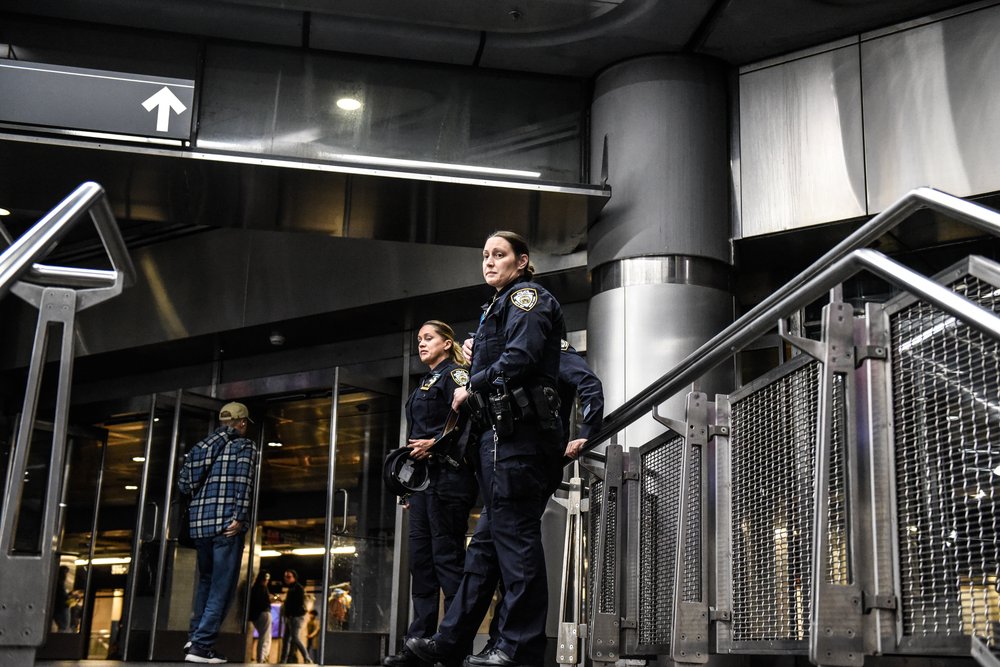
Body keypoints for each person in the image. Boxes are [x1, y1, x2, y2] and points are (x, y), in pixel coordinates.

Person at [408, 231, 565, 667]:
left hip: (522, 441)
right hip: (501, 441)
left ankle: (519, 647)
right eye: (485, 256)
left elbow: (522, 357)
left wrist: (471, 383)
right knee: (483, 552)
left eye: (499, 255)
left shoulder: (527, 299)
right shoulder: (497, 306)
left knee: (516, 546)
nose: (489, 262)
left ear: (522, 260)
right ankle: (451, 641)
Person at [383, 320, 478, 667]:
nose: (422, 344)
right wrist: (408, 487)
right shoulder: (424, 381)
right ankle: (417, 644)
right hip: (423, 485)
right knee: (421, 564)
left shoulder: (456, 376)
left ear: (446, 342)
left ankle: (453, 646)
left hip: (450, 479)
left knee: (447, 562)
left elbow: (470, 423)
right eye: (419, 339)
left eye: (429, 338)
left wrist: (437, 445)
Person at [179, 401, 258, 664]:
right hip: (226, 526)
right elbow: (243, 483)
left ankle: (194, 638)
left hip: (200, 526)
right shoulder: (244, 446)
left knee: (206, 582)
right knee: (221, 587)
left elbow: (183, 484)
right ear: (242, 422)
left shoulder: (200, 447)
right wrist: (240, 517)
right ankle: (202, 645)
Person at [281, 569, 313, 664]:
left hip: (296, 617)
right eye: (285, 576)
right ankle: (283, 660)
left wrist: (291, 613)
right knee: (286, 639)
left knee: (295, 637)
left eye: (289, 577)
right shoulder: (291, 588)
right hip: (291, 617)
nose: (286, 579)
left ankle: (307, 658)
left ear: (294, 577)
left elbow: (298, 603)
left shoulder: (298, 588)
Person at [249, 570, 273, 663]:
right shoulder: (262, 588)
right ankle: (261, 658)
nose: (267, 581)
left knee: (263, 636)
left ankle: (261, 657)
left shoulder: (254, 588)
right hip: (264, 613)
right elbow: (264, 603)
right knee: (265, 637)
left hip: (256, 616)